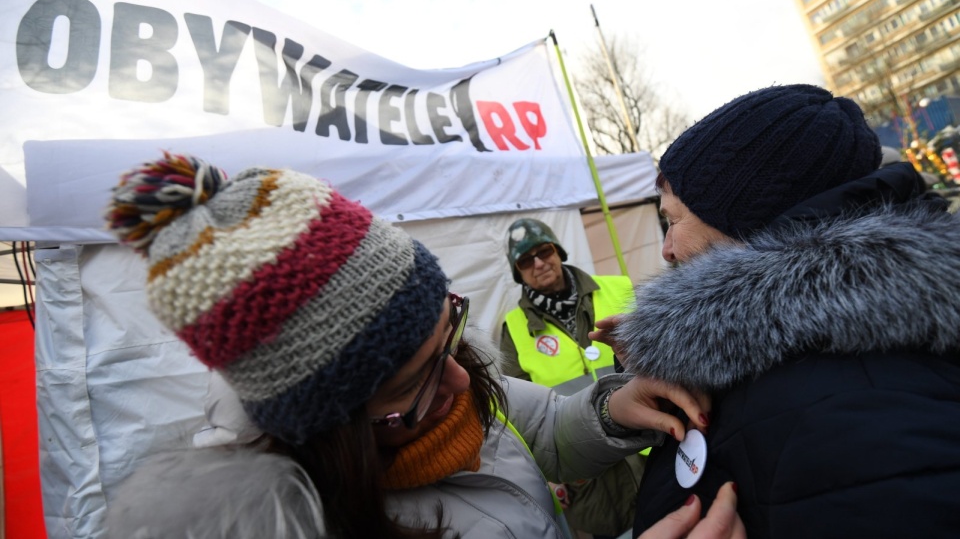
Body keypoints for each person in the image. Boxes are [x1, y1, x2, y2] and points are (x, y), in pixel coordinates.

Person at [101, 152, 713, 539]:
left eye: (445, 335)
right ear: (328, 429)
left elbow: (546, 429)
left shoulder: (451, 386)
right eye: (409, 387)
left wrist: (610, 409)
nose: (462, 382)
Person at [590, 84, 960, 538]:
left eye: (673, 220)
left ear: (748, 215)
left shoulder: (855, 413)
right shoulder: (772, 354)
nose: (666, 250)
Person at [499, 218, 642, 538]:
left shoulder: (619, 288)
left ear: (557, 251)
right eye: (525, 260)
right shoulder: (514, 329)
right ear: (518, 272)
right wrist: (546, 473)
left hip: (647, 442)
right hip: (585, 469)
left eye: (543, 251)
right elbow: (517, 415)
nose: (538, 263)